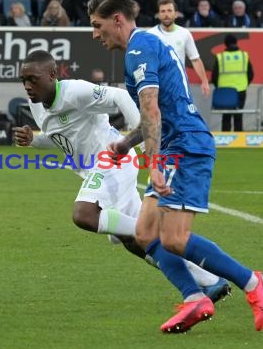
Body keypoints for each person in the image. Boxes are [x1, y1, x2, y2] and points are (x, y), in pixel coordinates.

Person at [88, 0, 263, 333]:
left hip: (185, 146)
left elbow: (152, 109)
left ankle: (253, 281)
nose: (94, 34)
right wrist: (126, 144)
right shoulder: (145, 44)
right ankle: (194, 297)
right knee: (144, 233)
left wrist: (153, 163)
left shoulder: (139, 49)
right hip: (176, 144)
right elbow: (154, 116)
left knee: (174, 238)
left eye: (98, 26)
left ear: (117, 19)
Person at [14, 50, 231, 303]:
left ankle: (151, 236)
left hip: (113, 158)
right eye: (23, 80)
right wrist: (34, 141)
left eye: (33, 78)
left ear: (52, 74)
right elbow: (59, 138)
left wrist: (141, 136)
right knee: (132, 242)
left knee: (84, 214)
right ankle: (209, 280)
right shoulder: (36, 101)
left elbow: (119, 96)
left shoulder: (75, 91)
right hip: (101, 169)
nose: (28, 86)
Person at [147, 0, 210, 98]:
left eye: (169, 11)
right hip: (156, 86)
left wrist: (204, 81)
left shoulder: (184, 33)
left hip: (179, 85)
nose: (166, 14)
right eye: (163, 11)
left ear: (176, 14)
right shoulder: (150, 35)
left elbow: (195, 60)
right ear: (158, 15)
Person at [211, 34, 254, 132]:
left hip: (225, 91)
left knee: (226, 116)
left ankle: (225, 140)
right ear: (236, 42)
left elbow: (214, 76)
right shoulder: (244, 56)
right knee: (238, 115)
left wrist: (219, 86)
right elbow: (251, 74)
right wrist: (244, 84)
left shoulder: (220, 57)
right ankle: (238, 141)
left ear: (225, 44)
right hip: (241, 90)